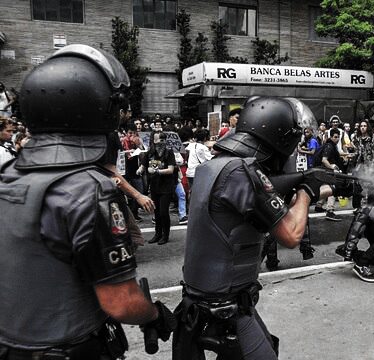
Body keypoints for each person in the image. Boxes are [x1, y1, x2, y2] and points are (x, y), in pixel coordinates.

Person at [0, 44, 174, 359]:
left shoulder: (8, 172)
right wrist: (156, 314)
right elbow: (121, 301)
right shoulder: (90, 190)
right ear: (100, 108)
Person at [172, 97, 330, 360]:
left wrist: (319, 189)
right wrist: (306, 192)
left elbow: (268, 204)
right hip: (226, 305)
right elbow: (291, 235)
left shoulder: (216, 166)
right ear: (279, 139)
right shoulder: (243, 172)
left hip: (202, 298)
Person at [137, 131, 177, 245]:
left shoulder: (169, 152)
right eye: (159, 139)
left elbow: (170, 170)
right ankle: (157, 234)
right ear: (154, 141)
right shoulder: (150, 153)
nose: (161, 142)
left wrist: (157, 171)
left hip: (166, 187)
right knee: (157, 212)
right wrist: (140, 170)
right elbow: (143, 165)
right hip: (154, 186)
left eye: (163, 139)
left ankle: (165, 235)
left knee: (164, 212)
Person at [315, 128, 343, 221]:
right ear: (331, 137)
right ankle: (330, 210)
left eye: (338, 137)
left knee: (327, 188)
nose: (337, 139)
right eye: (335, 137)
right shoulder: (330, 146)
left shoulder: (330, 145)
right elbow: (324, 159)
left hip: (324, 171)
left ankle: (319, 205)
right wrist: (332, 167)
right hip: (327, 171)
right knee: (333, 189)